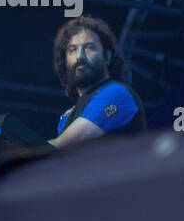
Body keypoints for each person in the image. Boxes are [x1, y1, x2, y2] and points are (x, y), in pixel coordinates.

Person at [48, 15, 146, 148]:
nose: (80, 56)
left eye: (89, 48)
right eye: (72, 50)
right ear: (64, 62)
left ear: (107, 57)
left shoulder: (116, 93)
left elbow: (63, 145)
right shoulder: (67, 116)